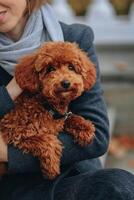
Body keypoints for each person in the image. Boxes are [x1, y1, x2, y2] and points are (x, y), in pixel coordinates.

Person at [0, 0, 134, 200]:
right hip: (14, 186)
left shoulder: (75, 38)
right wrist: (10, 92)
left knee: (118, 184)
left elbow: (96, 136)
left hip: (74, 176)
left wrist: (10, 155)